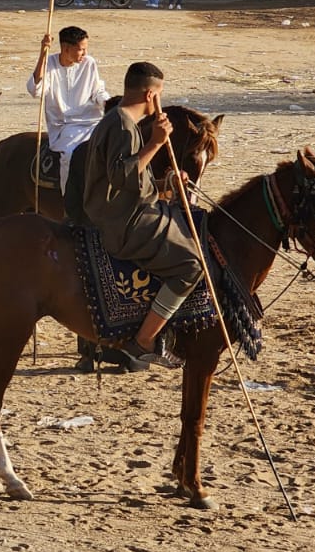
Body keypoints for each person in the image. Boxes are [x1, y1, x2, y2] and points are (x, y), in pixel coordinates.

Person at [82, 61, 201, 371]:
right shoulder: (122, 124)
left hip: (135, 207)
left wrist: (166, 184)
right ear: (151, 94)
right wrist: (156, 143)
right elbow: (121, 175)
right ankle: (145, 341)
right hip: (123, 220)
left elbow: (135, 178)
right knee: (191, 266)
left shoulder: (119, 120)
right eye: (160, 94)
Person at [28, 25, 107, 217]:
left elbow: (98, 90)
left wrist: (109, 103)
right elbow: (35, 90)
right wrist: (42, 53)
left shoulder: (89, 63)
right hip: (65, 126)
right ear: (66, 48)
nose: (84, 53)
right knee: (71, 156)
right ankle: (70, 206)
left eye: (85, 48)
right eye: (80, 49)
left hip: (93, 121)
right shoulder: (50, 65)